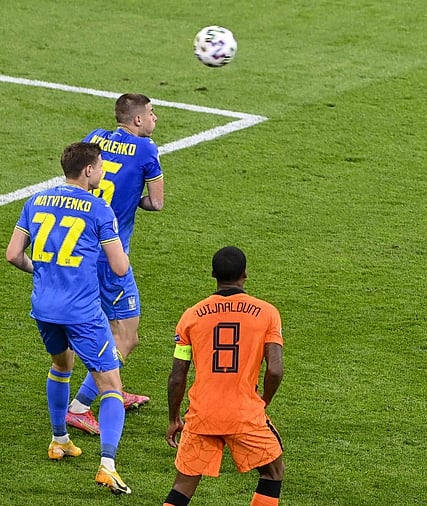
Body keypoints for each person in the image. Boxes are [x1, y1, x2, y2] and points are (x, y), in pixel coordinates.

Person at [6, 142, 134, 494]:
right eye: (101, 166)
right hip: (81, 310)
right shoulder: (97, 208)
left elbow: (13, 254)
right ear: (89, 170)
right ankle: (107, 465)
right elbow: (120, 267)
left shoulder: (35, 200)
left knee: (61, 366)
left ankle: (59, 439)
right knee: (110, 385)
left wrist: (41, 272)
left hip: (44, 307)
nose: (103, 171)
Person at [67, 93, 164, 435]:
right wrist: (129, 199)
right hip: (111, 256)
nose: (155, 119)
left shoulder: (94, 138)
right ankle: (79, 406)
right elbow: (156, 202)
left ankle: (114, 389)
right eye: (152, 113)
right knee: (127, 336)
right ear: (137, 120)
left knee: (106, 327)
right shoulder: (147, 150)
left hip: (81, 249)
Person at [164, 246, 285, 506]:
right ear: (245, 274)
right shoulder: (267, 313)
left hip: (202, 415)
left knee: (183, 487)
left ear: (213, 274)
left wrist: (174, 418)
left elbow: (177, 376)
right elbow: (275, 370)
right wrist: (263, 401)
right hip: (244, 414)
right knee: (272, 472)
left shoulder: (191, 316)